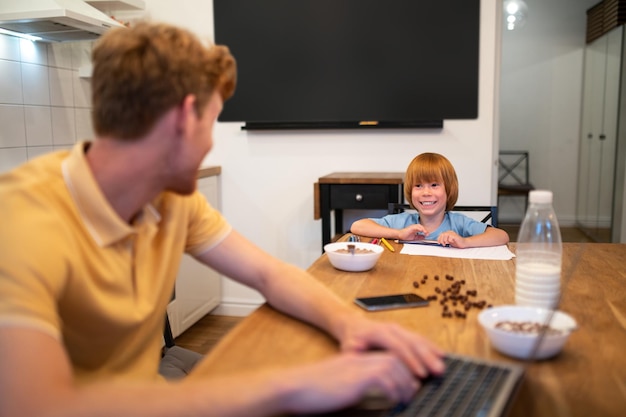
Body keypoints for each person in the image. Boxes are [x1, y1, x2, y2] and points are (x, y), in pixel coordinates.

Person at [0, 22, 445, 417]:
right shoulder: (19, 224)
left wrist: (355, 327)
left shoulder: (171, 200)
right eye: (211, 121)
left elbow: (270, 275)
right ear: (181, 119)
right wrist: (291, 387)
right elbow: (38, 406)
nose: (210, 143)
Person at [351, 153, 509, 248]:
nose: (426, 192)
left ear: (449, 189)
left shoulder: (459, 223)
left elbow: (501, 236)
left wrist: (464, 242)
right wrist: (398, 234)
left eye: (434, 185)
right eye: (418, 186)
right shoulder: (403, 222)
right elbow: (357, 226)